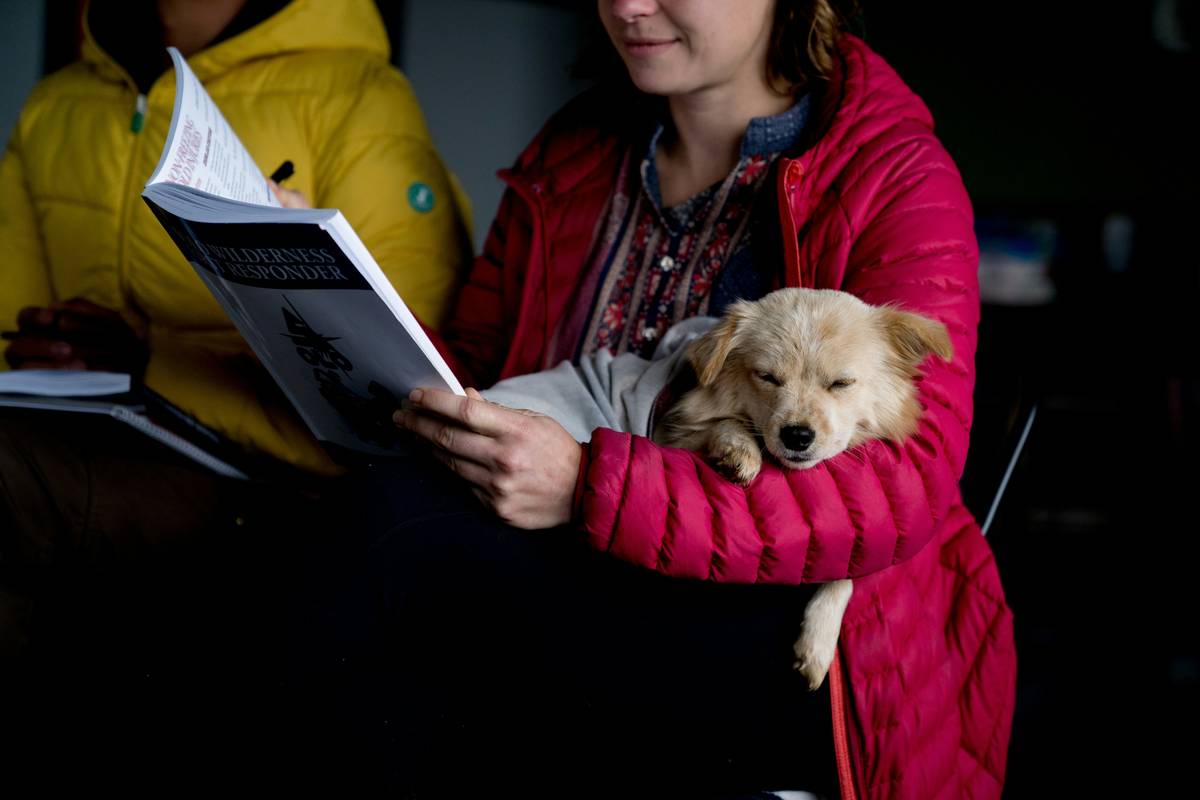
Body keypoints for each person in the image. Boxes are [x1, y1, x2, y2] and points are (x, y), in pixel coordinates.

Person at [284, 1, 1016, 798]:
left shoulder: (893, 177)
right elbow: (480, 371)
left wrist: (586, 486)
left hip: (805, 629)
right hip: (564, 565)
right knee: (370, 531)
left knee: (393, 549)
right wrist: (326, 291)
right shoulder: (576, 152)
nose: (629, 6)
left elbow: (901, 491)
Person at [0, 0, 471, 661]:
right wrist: (38, 351)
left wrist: (150, 364)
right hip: (90, 437)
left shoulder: (359, 96)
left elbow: (403, 396)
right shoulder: (58, 101)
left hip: (271, 478)